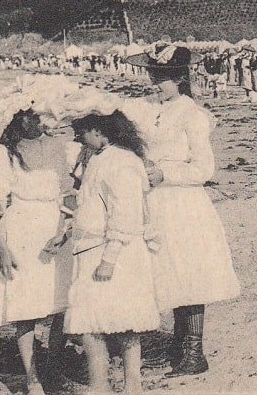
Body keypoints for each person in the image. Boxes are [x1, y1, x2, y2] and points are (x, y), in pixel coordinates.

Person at [123, 44, 241, 376]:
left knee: (190, 273)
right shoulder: (156, 110)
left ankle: (194, 352)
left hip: (185, 203)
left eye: (161, 78)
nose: (155, 83)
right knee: (170, 270)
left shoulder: (192, 115)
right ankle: (178, 344)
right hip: (159, 201)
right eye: (154, 76)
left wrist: (166, 173)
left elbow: (205, 169)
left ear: (179, 78)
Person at [0, 109, 76, 394]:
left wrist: (65, 230)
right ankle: (33, 379)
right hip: (21, 231)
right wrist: (3, 249)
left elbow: (69, 193)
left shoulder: (58, 146)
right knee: (25, 309)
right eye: (31, 117)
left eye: (42, 117)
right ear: (17, 118)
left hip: (54, 228)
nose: (39, 123)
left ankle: (54, 369)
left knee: (61, 306)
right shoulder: (4, 152)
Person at [68, 112, 160, 395]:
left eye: (81, 132)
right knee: (109, 319)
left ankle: (116, 384)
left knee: (102, 323)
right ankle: (113, 384)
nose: (78, 139)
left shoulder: (121, 162)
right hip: (95, 247)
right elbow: (90, 204)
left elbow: (126, 215)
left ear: (97, 130)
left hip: (114, 252)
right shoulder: (100, 157)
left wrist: (109, 260)